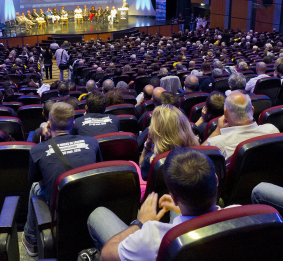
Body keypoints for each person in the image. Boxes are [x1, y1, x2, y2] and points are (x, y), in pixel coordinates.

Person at [87, 147, 220, 261]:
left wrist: (139, 224)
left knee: (98, 214)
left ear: (173, 197)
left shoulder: (151, 237)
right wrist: (179, 208)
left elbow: (106, 254)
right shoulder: (239, 213)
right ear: (216, 179)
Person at [22, 102, 103, 256]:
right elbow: (98, 172)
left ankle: (31, 240)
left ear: (48, 124)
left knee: (35, 188)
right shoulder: (92, 142)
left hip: (60, 210)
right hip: (91, 203)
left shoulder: (37, 150)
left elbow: (39, 181)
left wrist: (45, 141)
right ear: (73, 124)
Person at [203, 92, 279, 164]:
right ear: (252, 110)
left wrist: (217, 130)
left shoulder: (216, 144)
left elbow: (196, 158)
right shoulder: (272, 130)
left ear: (225, 113)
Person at [139, 105, 199, 180]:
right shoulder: (200, 155)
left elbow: (142, 170)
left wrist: (148, 144)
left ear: (157, 132)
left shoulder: (152, 160)